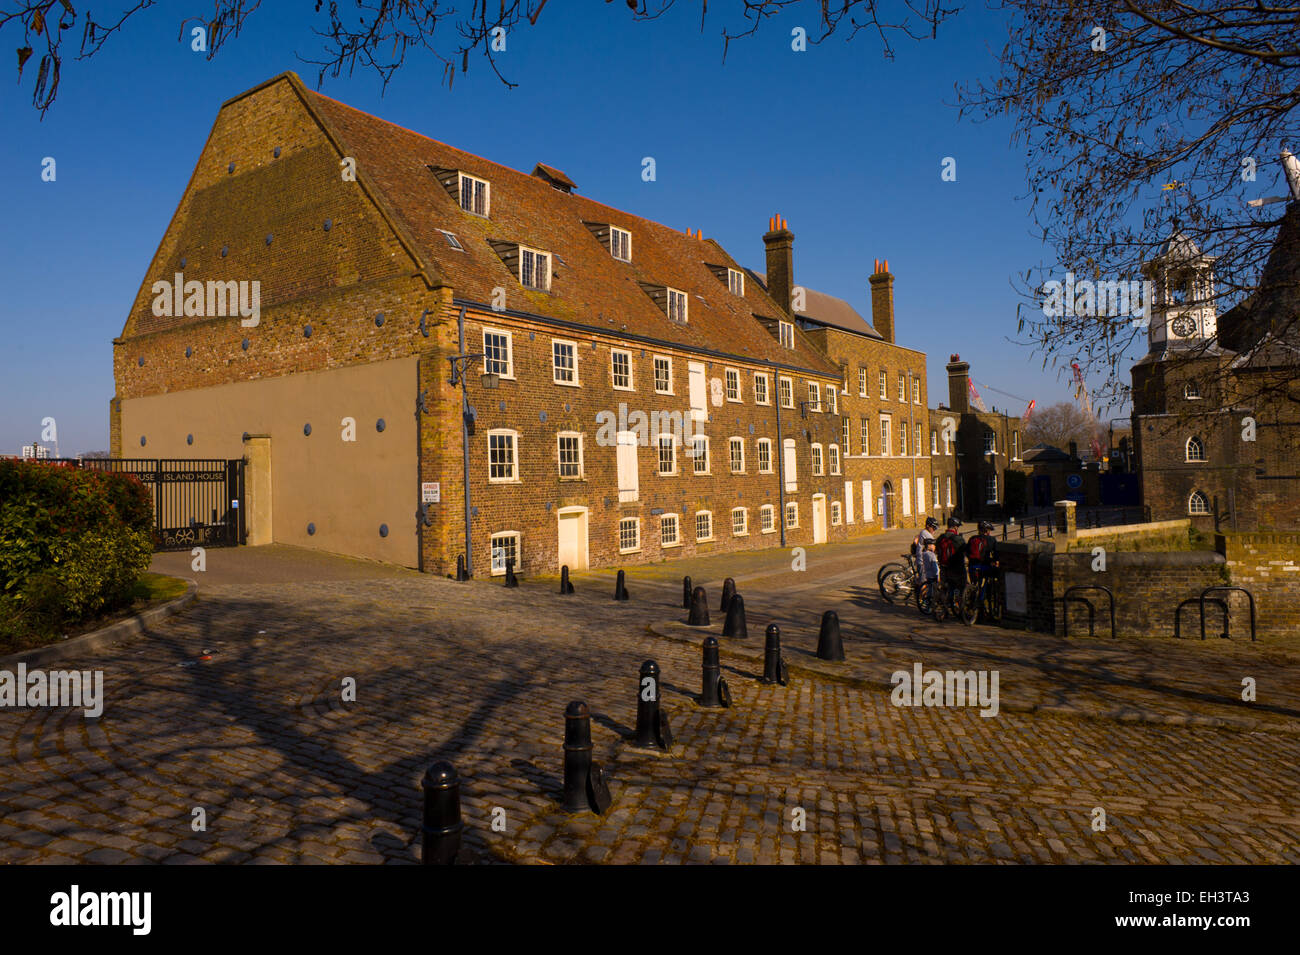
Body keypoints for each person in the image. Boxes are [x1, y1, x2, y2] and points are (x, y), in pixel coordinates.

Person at [936, 517, 966, 603]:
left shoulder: (940, 538)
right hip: (956, 568)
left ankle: (943, 605)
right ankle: (960, 604)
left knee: (945, 586)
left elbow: (937, 550)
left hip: (943, 567)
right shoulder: (958, 539)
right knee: (961, 585)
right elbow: (965, 551)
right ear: (955, 527)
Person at [966, 519, 999, 584]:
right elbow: (996, 554)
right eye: (989, 530)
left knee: (974, 584)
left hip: (972, 566)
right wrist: (994, 561)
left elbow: (967, 552)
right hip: (985, 566)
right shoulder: (991, 539)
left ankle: (974, 590)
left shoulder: (972, 538)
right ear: (987, 530)